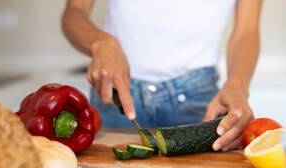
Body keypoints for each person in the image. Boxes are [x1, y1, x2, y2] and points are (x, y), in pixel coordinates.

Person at [62, 0, 262, 152]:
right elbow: (74, 12)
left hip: (199, 98)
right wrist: (101, 42)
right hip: (115, 92)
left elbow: (247, 30)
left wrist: (238, 85)